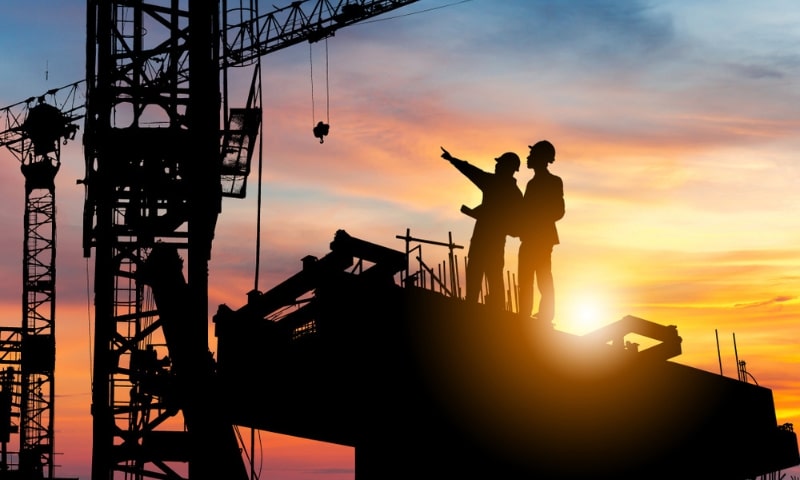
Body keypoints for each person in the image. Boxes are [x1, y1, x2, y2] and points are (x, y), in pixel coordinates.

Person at [440, 146, 522, 308]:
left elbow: (472, 172)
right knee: (488, 278)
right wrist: (453, 160)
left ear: (508, 168)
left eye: (500, 164)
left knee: (485, 279)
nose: (496, 166)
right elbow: (472, 171)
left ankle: (484, 315)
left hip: (487, 242)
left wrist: (452, 159)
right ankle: (490, 314)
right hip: (488, 242)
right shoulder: (514, 193)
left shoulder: (497, 185)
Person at [517, 140, 564, 324]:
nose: (528, 158)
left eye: (532, 155)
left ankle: (545, 316)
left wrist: (537, 218)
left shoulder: (553, 181)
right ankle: (524, 315)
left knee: (543, 278)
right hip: (529, 238)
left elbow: (559, 210)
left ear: (541, 158)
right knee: (525, 279)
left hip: (542, 239)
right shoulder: (531, 183)